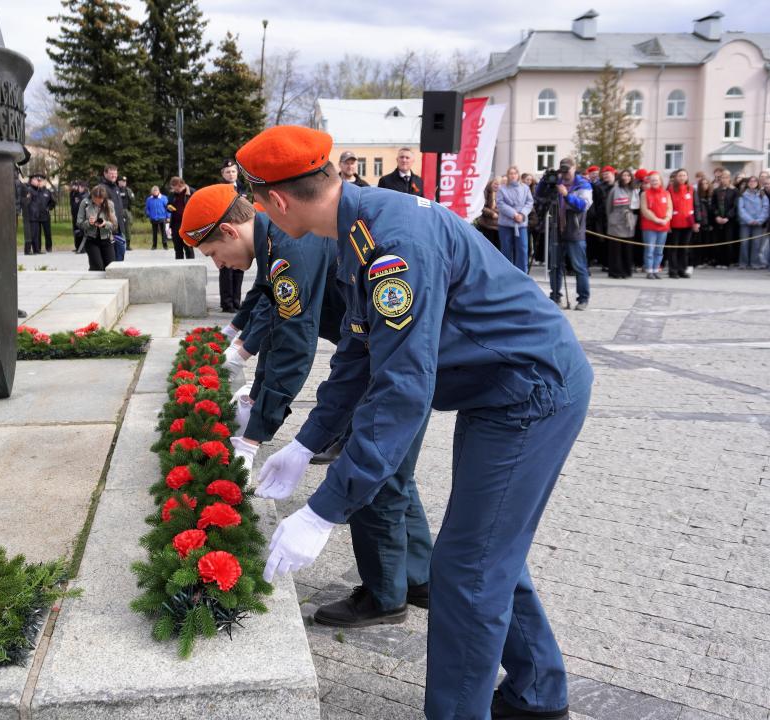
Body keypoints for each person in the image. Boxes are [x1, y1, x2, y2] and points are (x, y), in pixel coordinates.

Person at [237, 125, 591, 720]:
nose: (262, 216)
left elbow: (402, 389)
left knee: (469, 567)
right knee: (484, 550)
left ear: (276, 200)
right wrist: (306, 441)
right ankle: (538, 691)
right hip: (499, 391)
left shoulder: (390, 242)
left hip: (531, 394)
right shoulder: (359, 224)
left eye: (257, 204)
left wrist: (326, 509)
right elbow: (358, 351)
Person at [181, 184, 435, 622]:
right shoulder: (273, 242)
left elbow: (294, 344)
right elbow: (274, 318)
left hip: (395, 353)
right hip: (381, 348)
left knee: (368, 460)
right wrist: (252, 378)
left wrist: (253, 438)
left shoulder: (287, 247)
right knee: (393, 468)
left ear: (229, 230)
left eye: (213, 253)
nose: (218, 264)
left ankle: (384, 594)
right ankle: (420, 577)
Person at [542, 158, 592, 310]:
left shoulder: (583, 184)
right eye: (562, 170)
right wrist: (545, 180)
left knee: (579, 267)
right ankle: (555, 296)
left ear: (574, 168)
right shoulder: (557, 182)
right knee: (554, 266)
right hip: (556, 229)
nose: (565, 174)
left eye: (567, 170)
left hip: (574, 231)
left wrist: (566, 195)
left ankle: (583, 299)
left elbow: (583, 205)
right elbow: (540, 195)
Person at [218, 160, 247, 312]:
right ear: (223, 174)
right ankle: (227, 303)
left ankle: (236, 300)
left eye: (233, 171)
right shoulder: (218, 190)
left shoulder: (242, 188)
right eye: (227, 172)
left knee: (239, 267)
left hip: (241, 233)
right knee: (227, 269)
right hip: (225, 234)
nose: (231, 174)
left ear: (237, 173)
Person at [497, 166, 534, 272]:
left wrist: (522, 214)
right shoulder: (502, 188)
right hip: (505, 224)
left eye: (515, 173)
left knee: (522, 249)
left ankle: (522, 273)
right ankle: (507, 273)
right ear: (508, 175)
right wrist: (514, 214)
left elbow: (529, 202)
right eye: (511, 173)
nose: (513, 175)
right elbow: (500, 203)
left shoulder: (525, 188)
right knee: (506, 249)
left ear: (518, 175)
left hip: (521, 224)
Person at [75, 184, 117, 271]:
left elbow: (115, 225)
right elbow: (79, 223)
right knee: (97, 267)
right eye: (95, 201)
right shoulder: (85, 203)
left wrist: (105, 224)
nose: (97, 203)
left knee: (111, 268)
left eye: (100, 202)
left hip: (107, 239)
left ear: (104, 198)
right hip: (91, 240)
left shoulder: (110, 204)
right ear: (92, 196)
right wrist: (89, 223)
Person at [604, 169, 637, 278]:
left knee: (627, 248)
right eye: (624, 175)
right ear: (620, 177)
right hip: (616, 222)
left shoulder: (634, 190)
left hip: (629, 222)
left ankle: (626, 271)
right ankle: (615, 272)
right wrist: (611, 219)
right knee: (616, 249)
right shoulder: (615, 189)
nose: (626, 177)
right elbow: (609, 207)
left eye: (628, 175)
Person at [666, 169, 698, 278]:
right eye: (680, 175)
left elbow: (696, 205)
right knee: (673, 248)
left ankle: (681, 269)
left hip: (688, 223)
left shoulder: (691, 189)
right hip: (674, 223)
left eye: (684, 175)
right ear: (676, 177)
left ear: (687, 177)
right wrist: (667, 222)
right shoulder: (670, 189)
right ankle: (673, 270)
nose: (682, 177)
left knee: (684, 248)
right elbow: (667, 207)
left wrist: (697, 221)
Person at [640, 171, 671, 279]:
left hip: (663, 226)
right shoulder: (645, 194)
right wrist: (656, 219)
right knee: (650, 249)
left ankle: (655, 269)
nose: (654, 182)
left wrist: (666, 218)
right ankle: (649, 271)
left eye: (656, 180)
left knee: (659, 251)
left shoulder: (666, 193)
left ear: (660, 181)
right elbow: (644, 210)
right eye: (652, 180)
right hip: (649, 226)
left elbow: (669, 208)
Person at [737, 175, 769, 269]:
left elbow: (766, 208)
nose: (752, 183)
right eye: (750, 181)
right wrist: (749, 220)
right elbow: (741, 209)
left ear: (757, 183)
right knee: (744, 243)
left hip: (758, 223)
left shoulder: (762, 195)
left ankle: (755, 263)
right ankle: (743, 263)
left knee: (756, 243)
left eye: (754, 181)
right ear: (747, 183)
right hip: (745, 223)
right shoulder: (742, 194)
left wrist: (759, 220)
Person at [711, 171, 739, 267]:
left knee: (728, 241)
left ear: (729, 179)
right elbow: (713, 205)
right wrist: (716, 216)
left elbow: (735, 206)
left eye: (726, 177)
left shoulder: (734, 191)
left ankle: (727, 262)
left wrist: (728, 217)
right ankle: (719, 261)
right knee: (718, 241)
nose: (724, 179)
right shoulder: (716, 191)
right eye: (722, 177)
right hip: (718, 220)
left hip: (729, 221)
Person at [24, 174, 54, 255]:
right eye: (36, 180)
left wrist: (48, 208)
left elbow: (52, 202)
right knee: (33, 233)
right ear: (31, 181)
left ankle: (37, 249)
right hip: (33, 215)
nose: (38, 181)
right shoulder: (30, 189)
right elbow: (27, 202)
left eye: (39, 180)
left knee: (37, 234)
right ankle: (29, 250)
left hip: (39, 216)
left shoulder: (40, 190)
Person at [167, 176, 194, 260]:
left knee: (188, 248)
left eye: (177, 189)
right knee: (177, 248)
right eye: (174, 189)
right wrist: (168, 207)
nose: (176, 191)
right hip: (175, 224)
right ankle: (179, 265)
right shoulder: (172, 194)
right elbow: (168, 204)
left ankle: (191, 265)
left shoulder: (191, 192)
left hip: (187, 224)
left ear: (182, 185)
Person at [693, 177, 714, 268]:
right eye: (702, 184)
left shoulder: (711, 196)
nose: (704, 185)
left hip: (710, 223)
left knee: (708, 242)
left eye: (706, 183)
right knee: (699, 242)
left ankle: (707, 260)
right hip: (700, 222)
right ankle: (699, 261)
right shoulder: (697, 196)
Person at [476, 177, 501, 251]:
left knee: (498, 247)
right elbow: (482, 207)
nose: (497, 186)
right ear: (491, 183)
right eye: (495, 184)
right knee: (488, 246)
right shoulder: (485, 192)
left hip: (499, 225)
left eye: (499, 184)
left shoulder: (502, 194)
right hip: (487, 224)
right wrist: (491, 213)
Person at [145, 185, 170, 250]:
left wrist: (168, 216)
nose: (155, 192)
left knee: (163, 232)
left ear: (159, 191)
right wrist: (149, 214)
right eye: (154, 191)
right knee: (154, 233)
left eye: (156, 191)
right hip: (153, 218)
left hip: (162, 217)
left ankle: (165, 245)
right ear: (152, 192)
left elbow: (168, 208)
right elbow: (147, 208)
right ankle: (154, 245)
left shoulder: (164, 198)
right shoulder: (149, 199)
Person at [117, 176, 135, 250]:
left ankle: (128, 245)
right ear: (119, 182)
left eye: (125, 181)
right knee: (118, 227)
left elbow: (133, 200)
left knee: (128, 227)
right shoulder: (116, 189)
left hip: (126, 210)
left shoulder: (128, 190)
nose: (124, 183)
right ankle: (119, 244)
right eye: (122, 181)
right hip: (118, 211)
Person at [69, 180, 88, 251]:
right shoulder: (75, 194)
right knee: (76, 232)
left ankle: (83, 248)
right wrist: (73, 191)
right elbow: (72, 200)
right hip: (75, 216)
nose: (77, 188)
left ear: (83, 187)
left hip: (82, 217)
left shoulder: (85, 195)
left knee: (82, 232)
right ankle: (77, 247)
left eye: (78, 186)